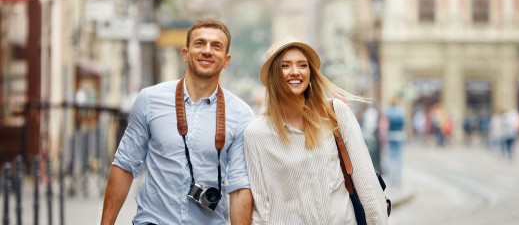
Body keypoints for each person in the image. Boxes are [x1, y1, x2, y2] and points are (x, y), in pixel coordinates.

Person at [101, 19, 254, 225]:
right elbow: (124, 165)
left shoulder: (241, 114)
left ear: (226, 60)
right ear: (186, 53)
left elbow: (239, 188)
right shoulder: (149, 100)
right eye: (199, 43)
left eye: (216, 46)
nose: (207, 51)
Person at [243, 36, 388, 224]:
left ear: (311, 72)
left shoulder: (335, 113)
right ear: (273, 75)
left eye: (302, 65)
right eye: (285, 66)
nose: (295, 72)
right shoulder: (256, 133)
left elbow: (368, 187)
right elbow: (261, 209)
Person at [385, 97, 405, 186]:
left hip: (390, 135)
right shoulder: (400, 111)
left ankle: (392, 177)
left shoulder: (388, 112)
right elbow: (403, 123)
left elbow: (386, 124)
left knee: (391, 157)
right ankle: (398, 177)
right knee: (398, 157)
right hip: (399, 135)